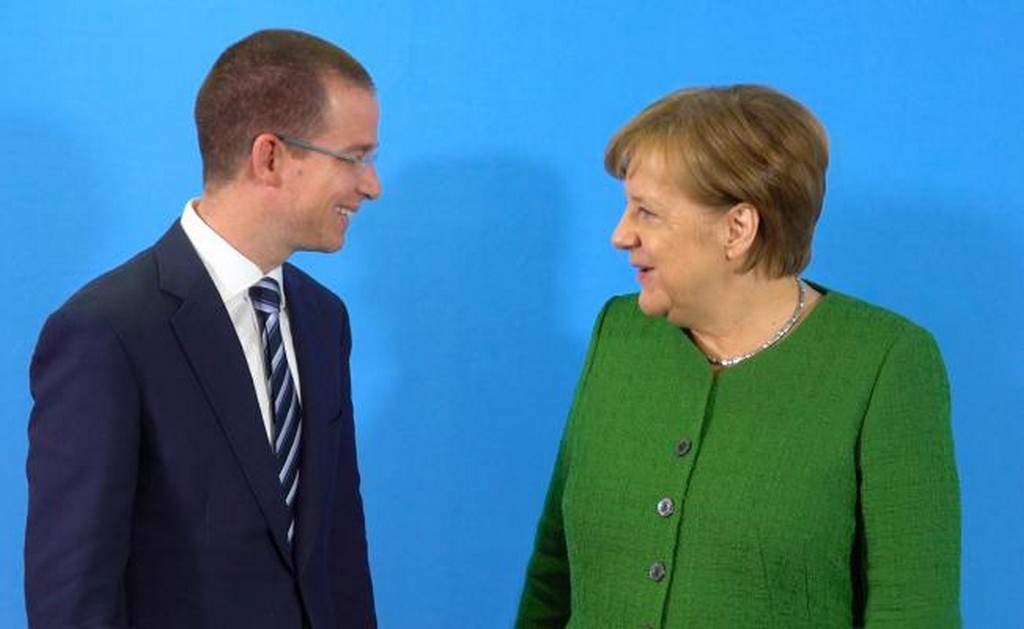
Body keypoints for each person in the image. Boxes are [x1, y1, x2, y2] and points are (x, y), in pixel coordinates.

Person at [516, 84, 960, 627]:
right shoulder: (619, 334)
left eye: (646, 212)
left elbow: (913, 612)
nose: (620, 234)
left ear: (737, 228)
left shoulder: (885, 362)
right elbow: (552, 575)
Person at [26, 29, 381, 628]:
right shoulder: (106, 331)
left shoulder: (324, 320)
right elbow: (74, 593)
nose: (372, 185)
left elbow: (338, 552)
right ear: (269, 156)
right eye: (354, 157)